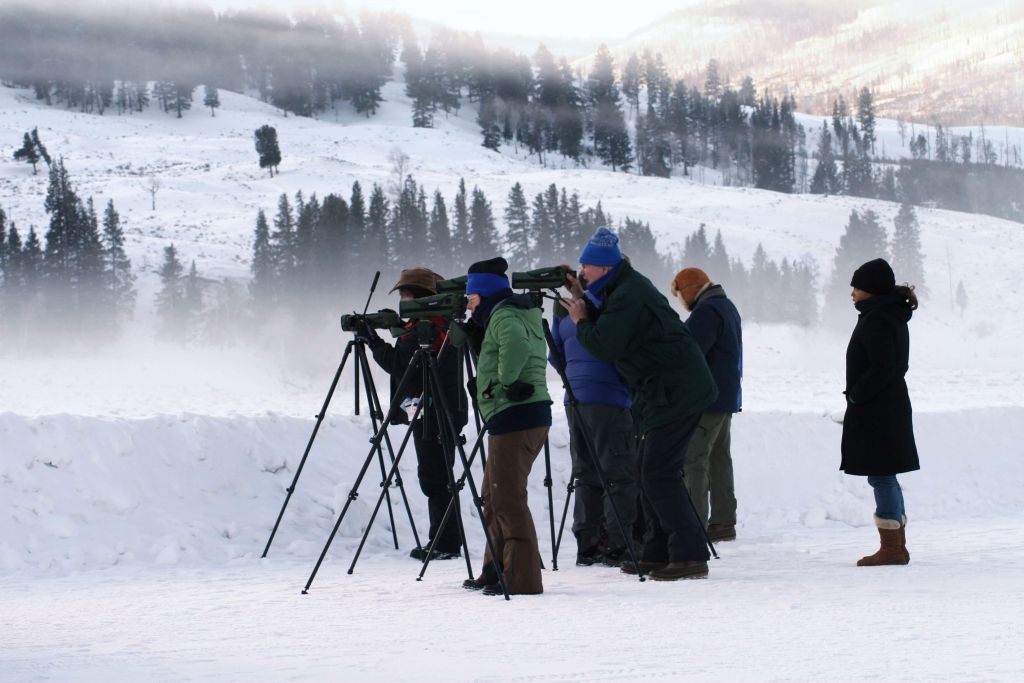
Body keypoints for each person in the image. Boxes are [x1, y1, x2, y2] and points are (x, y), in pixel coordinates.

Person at [563, 228, 718, 581]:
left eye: (586, 266)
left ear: (603, 267)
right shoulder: (621, 289)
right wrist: (585, 300)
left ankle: (690, 554)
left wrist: (581, 320)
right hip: (659, 391)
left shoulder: (629, 294)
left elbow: (605, 345)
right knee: (648, 471)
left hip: (677, 390)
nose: (582, 271)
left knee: (658, 473)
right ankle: (658, 550)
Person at [459, 257, 552, 596]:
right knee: (494, 496)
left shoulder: (504, 315)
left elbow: (515, 343)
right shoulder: (517, 311)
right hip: (520, 414)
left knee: (508, 499)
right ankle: (496, 568)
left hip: (515, 414)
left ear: (483, 294)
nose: (468, 304)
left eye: (471, 298)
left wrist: (500, 383)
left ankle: (521, 578)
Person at [359, 268, 467, 561]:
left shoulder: (429, 327)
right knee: (439, 476)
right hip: (443, 408)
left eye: (405, 295)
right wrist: (396, 327)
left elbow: (400, 364)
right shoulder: (441, 323)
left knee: (434, 478)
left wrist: (373, 341)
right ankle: (445, 540)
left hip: (434, 412)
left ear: (420, 297)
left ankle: (445, 544)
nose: (402, 301)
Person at [550, 273, 637, 567]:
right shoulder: (607, 310)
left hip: (575, 398)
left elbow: (555, 357)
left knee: (586, 473)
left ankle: (587, 545)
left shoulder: (566, 315)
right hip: (609, 397)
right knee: (618, 474)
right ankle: (618, 544)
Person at [841, 258, 920, 566]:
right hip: (889, 405)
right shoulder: (889, 315)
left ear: (871, 289)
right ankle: (896, 545)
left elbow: (883, 367)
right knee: (886, 474)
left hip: (878, 409)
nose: (852, 293)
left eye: (857, 287)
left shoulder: (877, 319)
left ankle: (891, 548)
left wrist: (858, 395)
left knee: (882, 476)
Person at [671, 267, 743, 542]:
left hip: (706, 399)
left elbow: (689, 353)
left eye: (679, 294)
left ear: (688, 289)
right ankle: (723, 522)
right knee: (719, 459)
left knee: (694, 459)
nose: (680, 300)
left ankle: (695, 525)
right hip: (725, 397)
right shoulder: (726, 306)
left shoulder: (706, 312)